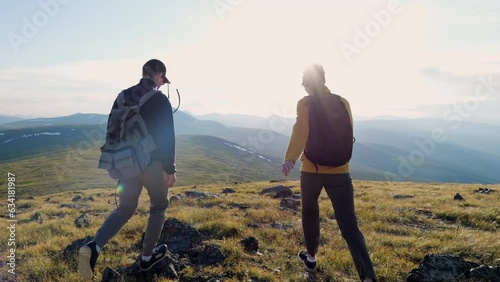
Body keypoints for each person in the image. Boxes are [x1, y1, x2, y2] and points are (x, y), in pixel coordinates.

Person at [78, 59, 177, 280]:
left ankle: (94, 247)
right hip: (151, 164)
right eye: (162, 80)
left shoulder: (122, 96)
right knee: (159, 206)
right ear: (159, 75)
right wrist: (169, 169)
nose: (162, 84)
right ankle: (146, 258)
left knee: (125, 209)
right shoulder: (159, 99)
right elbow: (167, 137)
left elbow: (111, 130)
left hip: (126, 163)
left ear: (143, 73)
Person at [281, 64, 376, 282]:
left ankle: (311, 258)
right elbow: (348, 132)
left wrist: (290, 158)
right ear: (324, 81)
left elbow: (301, 130)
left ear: (306, 84)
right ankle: (368, 277)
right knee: (349, 225)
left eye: (304, 82)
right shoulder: (343, 102)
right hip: (340, 171)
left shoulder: (304, 104)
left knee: (310, 213)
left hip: (311, 171)